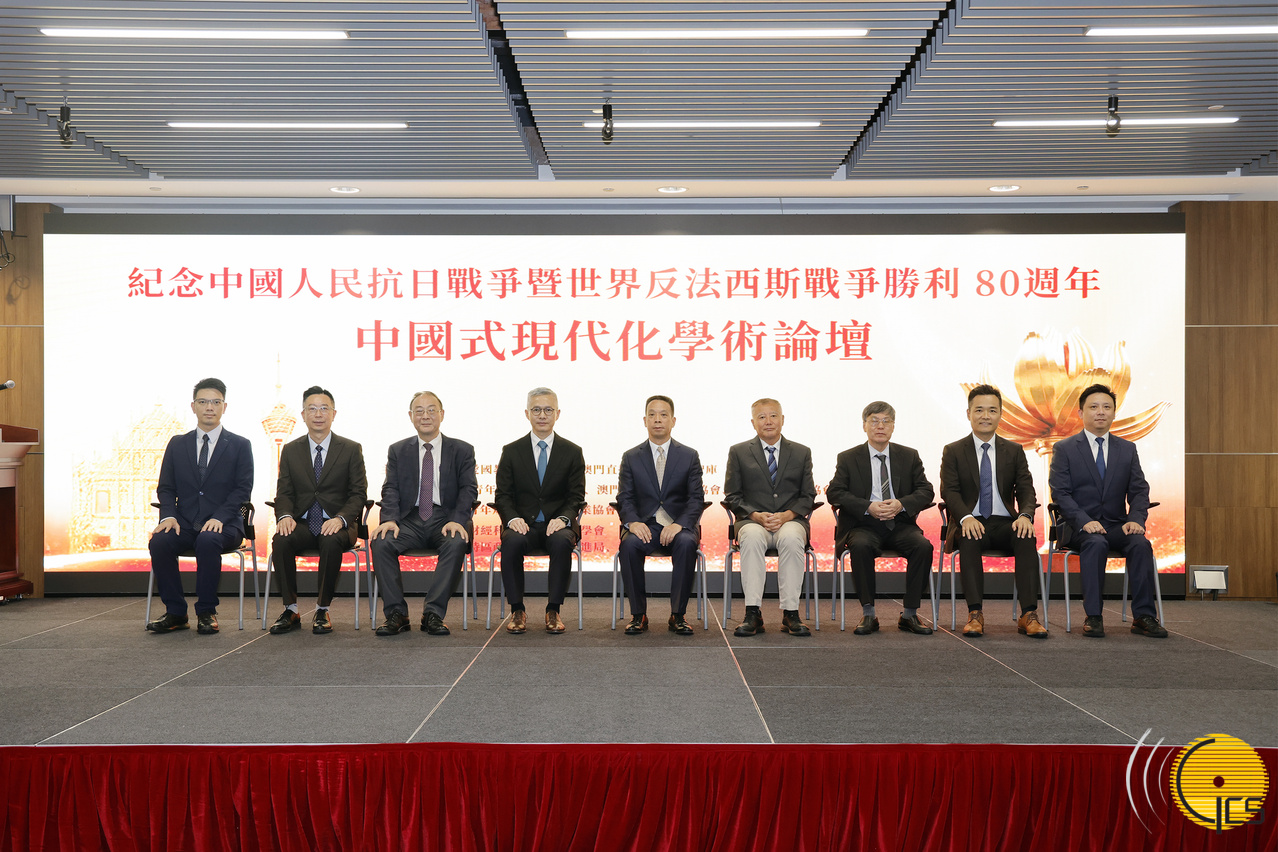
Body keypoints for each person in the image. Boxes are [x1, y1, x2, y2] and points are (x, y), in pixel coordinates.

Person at [1048, 383, 1167, 638]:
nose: (1100, 412)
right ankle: (1093, 616)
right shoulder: (1064, 449)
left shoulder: (1127, 449)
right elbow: (1060, 494)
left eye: (1106, 407)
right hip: (1078, 527)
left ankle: (1144, 616)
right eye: (1093, 407)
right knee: (1095, 542)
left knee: (1140, 544)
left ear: (1114, 412)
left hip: (1115, 525)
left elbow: (1139, 490)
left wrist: (1136, 519)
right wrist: (1084, 520)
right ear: (1081, 413)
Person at [146, 378, 254, 635]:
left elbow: (242, 490)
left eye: (216, 402)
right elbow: (166, 487)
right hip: (184, 522)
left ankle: (206, 611)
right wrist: (168, 516)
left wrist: (220, 517)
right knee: (159, 542)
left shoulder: (240, 445)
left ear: (224, 407)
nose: (209, 407)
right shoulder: (177, 444)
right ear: (193, 406)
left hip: (225, 524)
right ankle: (176, 612)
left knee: (208, 540)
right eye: (203, 401)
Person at [939, 385, 1046, 638]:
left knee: (1025, 535)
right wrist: (965, 517)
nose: (985, 416)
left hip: (1005, 522)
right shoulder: (953, 451)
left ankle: (1028, 615)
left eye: (992, 410)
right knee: (969, 536)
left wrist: (1025, 515)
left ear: (1000, 414)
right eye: (979, 410)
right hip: (971, 520)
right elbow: (949, 491)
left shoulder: (1014, 450)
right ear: (968, 414)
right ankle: (975, 613)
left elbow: (1026, 489)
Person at [370, 391, 478, 637]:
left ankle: (433, 613)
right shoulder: (398, 450)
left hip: (445, 518)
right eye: (419, 411)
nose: (425, 416)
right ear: (411, 416)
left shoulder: (462, 450)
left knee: (456, 541)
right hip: (409, 520)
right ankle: (397, 614)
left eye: (431, 410)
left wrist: (458, 520)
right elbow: (391, 488)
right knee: (381, 541)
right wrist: (389, 519)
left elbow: (468, 489)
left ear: (442, 414)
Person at [827, 401, 935, 635]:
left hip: (900, 523)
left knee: (923, 546)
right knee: (861, 546)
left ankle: (909, 614)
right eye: (874, 421)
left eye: (886, 421)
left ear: (893, 426)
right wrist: (867, 507)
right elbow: (835, 493)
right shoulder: (848, 458)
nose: (880, 426)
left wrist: (901, 504)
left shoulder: (909, 456)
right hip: (864, 525)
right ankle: (869, 614)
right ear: (864, 425)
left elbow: (926, 491)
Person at [266, 386, 367, 635]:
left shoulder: (350, 449)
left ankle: (322, 609)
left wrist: (341, 519)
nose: (318, 414)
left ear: (334, 414)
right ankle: (290, 609)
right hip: (301, 522)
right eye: (312, 409)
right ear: (303, 415)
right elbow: (284, 492)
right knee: (281, 540)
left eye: (324, 408)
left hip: (336, 523)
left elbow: (358, 494)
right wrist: (285, 515)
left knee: (331, 540)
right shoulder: (291, 450)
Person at [493, 387, 586, 634]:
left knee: (562, 542)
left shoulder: (572, 452)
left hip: (557, 524)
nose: (542, 415)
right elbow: (503, 495)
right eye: (536, 410)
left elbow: (576, 496)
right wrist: (512, 518)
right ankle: (517, 610)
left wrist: (564, 518)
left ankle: (553, 610)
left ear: (557, 414)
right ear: (527, 413)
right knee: (511, 542)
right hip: (523, 524)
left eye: (548, 410)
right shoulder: (511, 451)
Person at [724, 398, 817, 637]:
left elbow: (808, 495)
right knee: (752, 538)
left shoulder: (801, 452)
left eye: (773, 415)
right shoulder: (739, 452)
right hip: (752, 521)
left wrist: (788, 515)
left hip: (790, 520)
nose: (768, 421)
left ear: (782, 419)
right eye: (762, 417)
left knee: (792, 539)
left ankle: (790, 613)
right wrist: (755, 515)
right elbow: (732, 495)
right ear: (753, 422)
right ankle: (752, 613)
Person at [616, 395, 705, 636]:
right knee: (629, 545)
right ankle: (638, 615)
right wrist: (633, 522)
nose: (658, 419)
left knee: (686, 543)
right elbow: (625, 497)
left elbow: (696, 499)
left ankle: (678, 615)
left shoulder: (689, 455)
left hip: (677, 526)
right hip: (645, 525)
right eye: (652, 415)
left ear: (673, 421)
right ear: (645, 420)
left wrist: (680, 525)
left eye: (663, 415)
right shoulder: (631, 457)